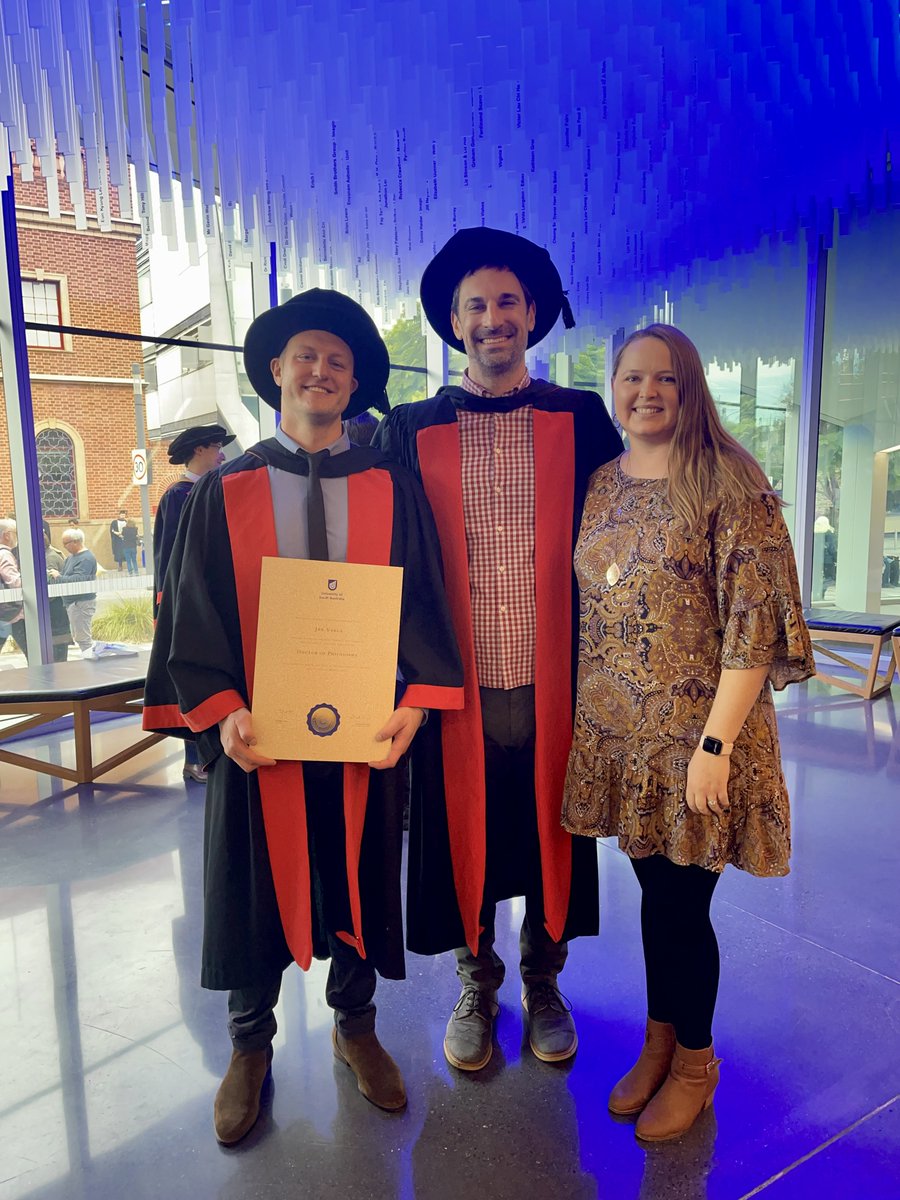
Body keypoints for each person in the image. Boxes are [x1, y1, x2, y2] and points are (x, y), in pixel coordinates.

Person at [142, 288, 463, 1146]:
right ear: (276, 370)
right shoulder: (226, 492)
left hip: (359, 736)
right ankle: (249, 1048)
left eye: (338, 360)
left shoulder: (390, 491)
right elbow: (195, 618)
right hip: (262, 740)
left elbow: (423, 607)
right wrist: (223, 716)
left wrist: (414, 706)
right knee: (252, 883)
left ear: (354, 382)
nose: (320, 370)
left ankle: (356, 1029)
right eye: (304, 356)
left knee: (358, 869)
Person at [373, 227, 622, 1071]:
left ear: (533, 314)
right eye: (475, 305)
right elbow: (373, 549)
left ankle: (543, 980)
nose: (492, 319)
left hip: (559, 676)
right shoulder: (409, 426)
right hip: (455, 683)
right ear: (453, 321)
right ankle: (476, 982)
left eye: (507, 302)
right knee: (459, 835)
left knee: (553, 827)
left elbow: (632, 516)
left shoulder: (579, 416)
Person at [561, 324, 814, 1142]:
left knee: (682, 905)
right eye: (632, 377)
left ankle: (696, 1063)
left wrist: (716, 746)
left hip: (698, 737)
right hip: (621, 738)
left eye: (665, 379)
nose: (646, 391)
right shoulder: (603, 481)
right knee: (653, 897)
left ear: (690, 386)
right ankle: (659, 1040)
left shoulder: (727, 481)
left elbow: (754, 623)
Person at [152, 423, 236, 783]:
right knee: (191, 675)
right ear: (199, 450)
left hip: (214, 600)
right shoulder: (179, 495)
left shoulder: (214, 489)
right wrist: (169, 604)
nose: (221, 453)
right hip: (186, 600)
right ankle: (194, 759)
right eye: (216, 446)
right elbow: (171, 557)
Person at [52, 529, 98, 658]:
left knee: (83, 638)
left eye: (66, 543)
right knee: (80, 636)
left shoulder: (86, 558)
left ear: (76, 542)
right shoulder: (71, 558)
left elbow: (78, 580)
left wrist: (58, 577)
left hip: (81, 602)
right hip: (73, 603)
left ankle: (91, 662)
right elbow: (65, 575)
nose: (64, 546)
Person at [43, 529, 71, 661]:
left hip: (56, 607)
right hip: (57, 607)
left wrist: (42, 601)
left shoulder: (50, 558)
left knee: (58, 644)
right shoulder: (50, 554)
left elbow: (51, 588)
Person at [0, 518, 26, 656]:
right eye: (15, 532)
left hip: (4, 613)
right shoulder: (4, 554)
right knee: (32, 652)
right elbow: (15, 582)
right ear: (7, 535)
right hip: (11, 614)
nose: (17, 536)